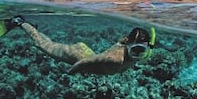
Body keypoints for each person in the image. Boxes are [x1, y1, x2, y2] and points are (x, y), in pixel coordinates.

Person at [11, 16, 155, 75]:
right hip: (78, 55)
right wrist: (70, 73)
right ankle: (20, 22)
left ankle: (33, 28)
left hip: (88, 52)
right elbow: (86, 62)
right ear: (127, 44)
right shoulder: (115, 59)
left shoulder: (145, 53)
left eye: (141, 50)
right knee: (41, 45)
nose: (137, 55)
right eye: (134, 50)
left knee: (50, 44)